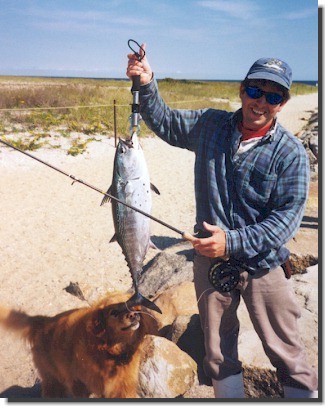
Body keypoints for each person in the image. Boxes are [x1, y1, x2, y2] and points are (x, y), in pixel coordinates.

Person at [126, 44, 318, 399]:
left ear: (283, 104)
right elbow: (166, 122)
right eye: (255, 90)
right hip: (210, 264)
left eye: (273, 96)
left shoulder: (290, 152)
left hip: (264, 266)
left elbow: (287, 220)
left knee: (286, 352)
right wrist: (147, 82)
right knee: (216, 351)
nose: (260, 102)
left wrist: (232, 241)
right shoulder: (210, 124)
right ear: (242, 90)